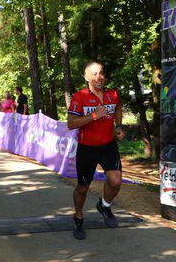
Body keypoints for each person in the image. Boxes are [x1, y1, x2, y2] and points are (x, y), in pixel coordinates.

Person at [67, 61, 124, 240]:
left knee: (115, 181)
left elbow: (118, 108)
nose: (99, 77)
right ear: (86, 77)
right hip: (87, 148)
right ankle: (78, 216)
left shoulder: (112, 94)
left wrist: (119, 126)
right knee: (83, 188)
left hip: (108, 146)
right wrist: (93, 115)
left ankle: (104, 205)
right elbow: (71, 124)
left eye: (101, 73)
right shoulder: (80, 97)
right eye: (94, 74)